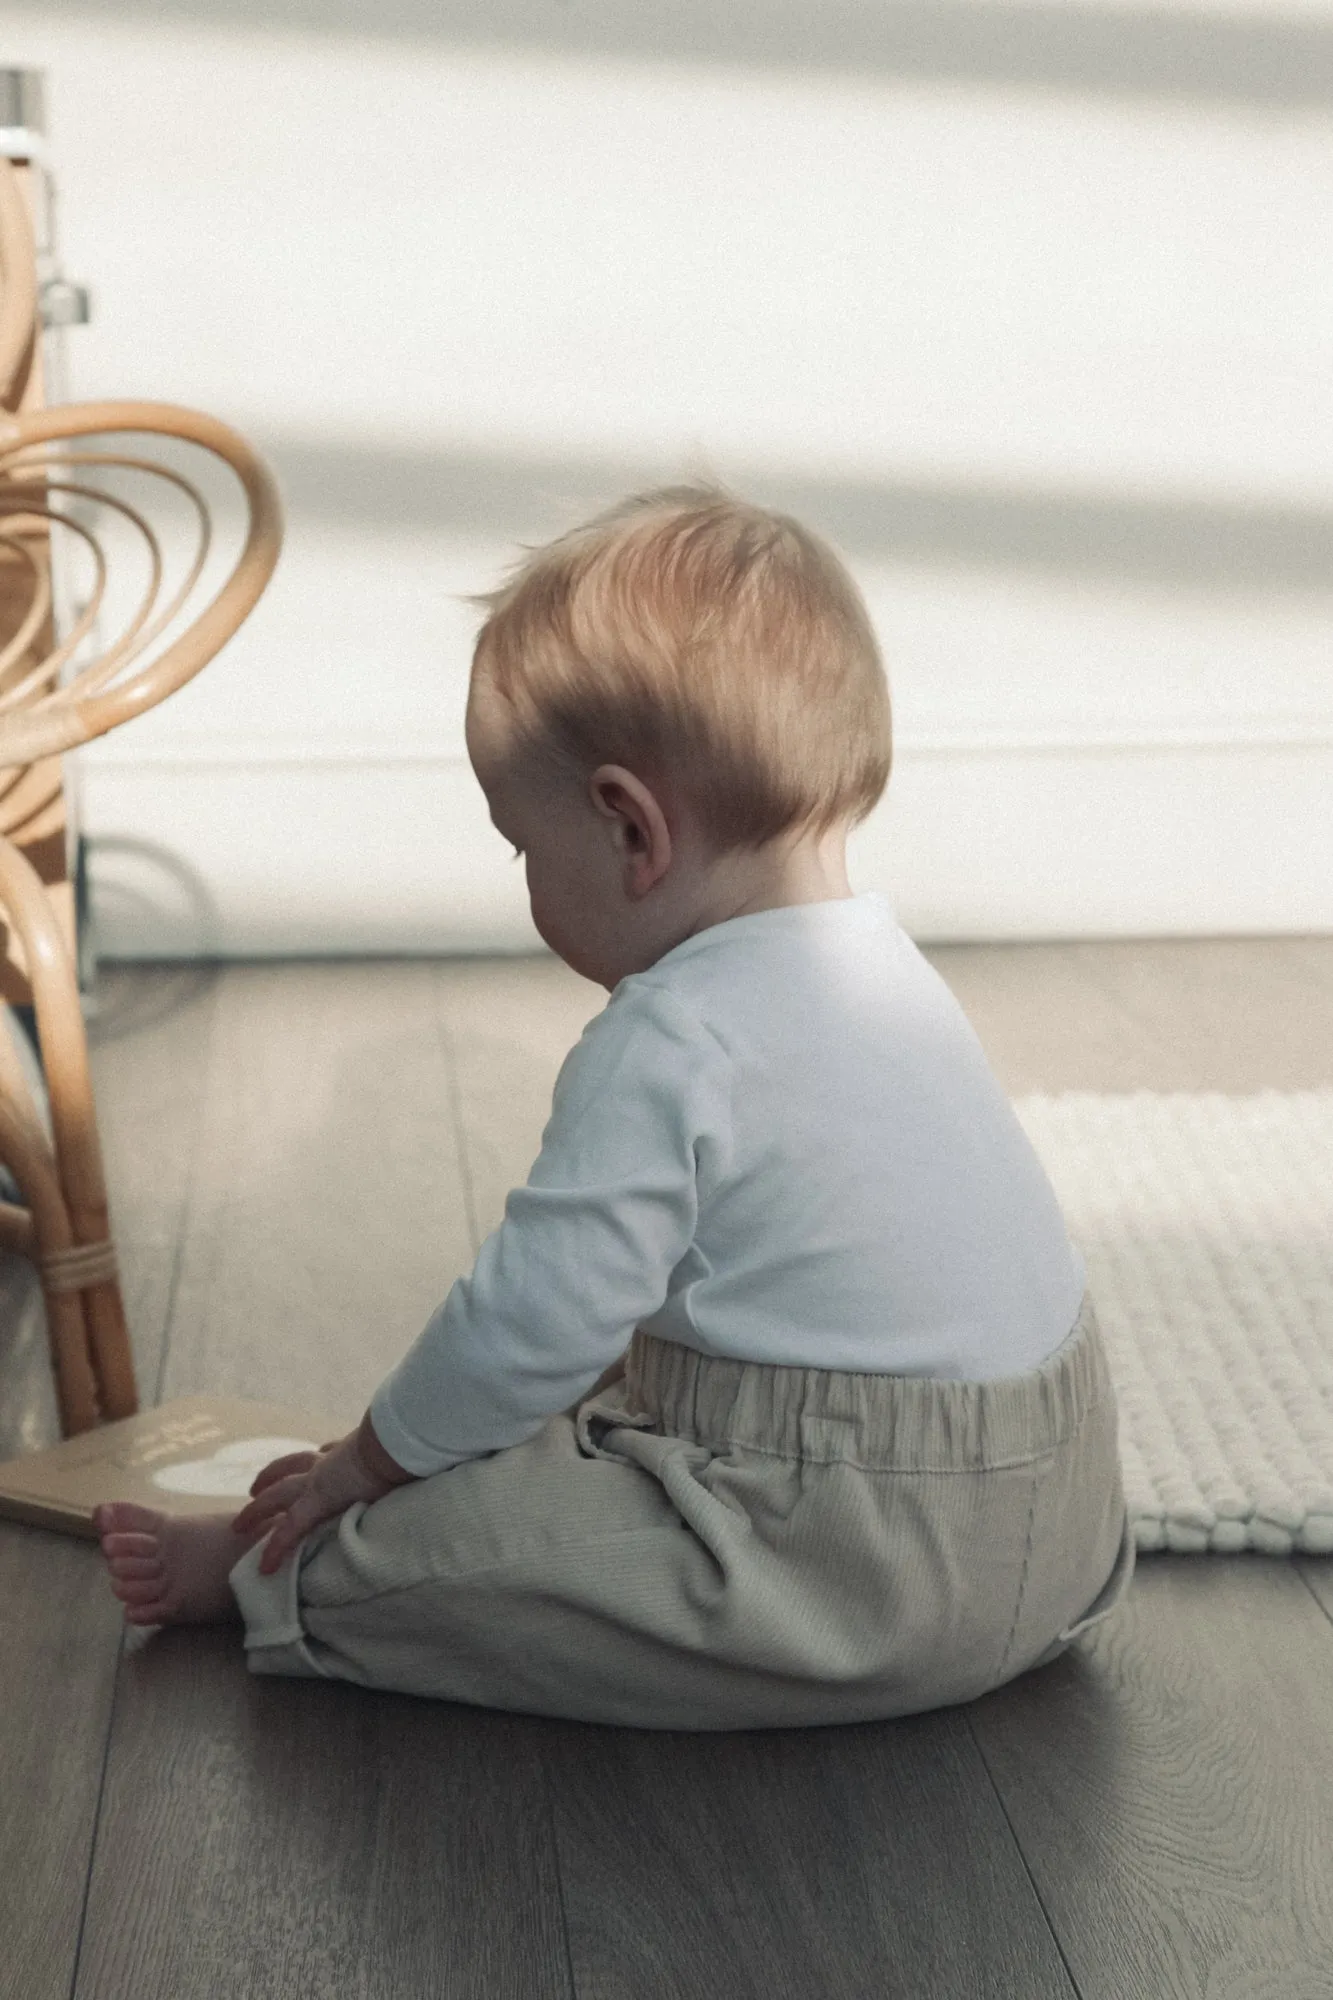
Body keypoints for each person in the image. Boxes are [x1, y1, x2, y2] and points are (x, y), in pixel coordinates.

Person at [94, 486, 1134, 1730]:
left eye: (521, 847)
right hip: (1066, 1526)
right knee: (580, 1418)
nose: (526, 882)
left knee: (488, 1546)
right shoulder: (888, 972)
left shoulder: (672, 1035)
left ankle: (278, 1579)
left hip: (859, 1571)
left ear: (630, 829)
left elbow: (531, 1316)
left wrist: (364, 1465)